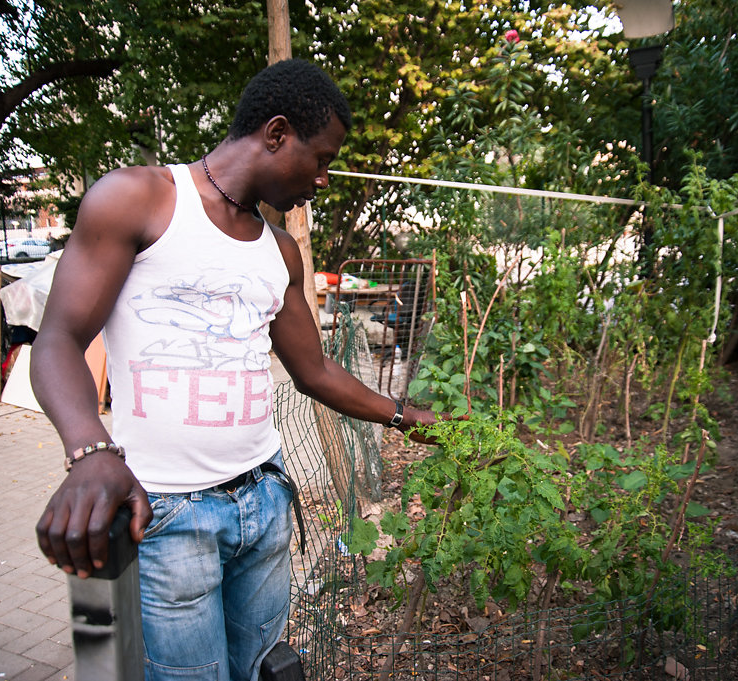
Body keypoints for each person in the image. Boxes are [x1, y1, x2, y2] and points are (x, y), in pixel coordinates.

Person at [32, 58, 440, 681]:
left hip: (265, 502)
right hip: (168, 516)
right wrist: (90, 451)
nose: (324, 179)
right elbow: (59, 338)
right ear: (276, 134)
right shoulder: (140, 199)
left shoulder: (279, 252)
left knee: (261, 672)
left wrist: (409, 419)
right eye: (321, 158)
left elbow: (315, 372)